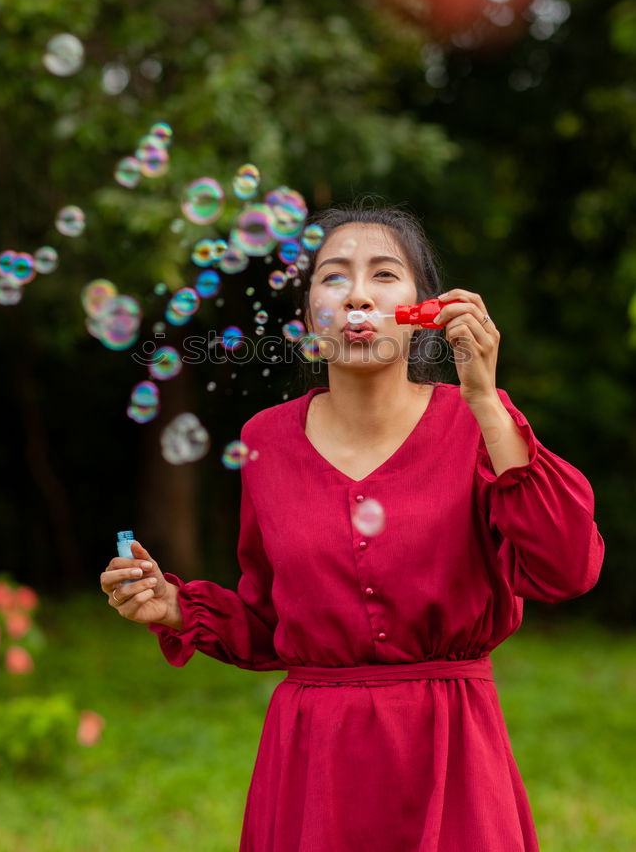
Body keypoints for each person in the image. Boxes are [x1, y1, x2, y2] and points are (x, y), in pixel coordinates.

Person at [100, 203, 605, 852]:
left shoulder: (479, 426)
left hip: (450, 752)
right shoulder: (265, 443)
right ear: (309, 314)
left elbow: (565, 569)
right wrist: (176, 607)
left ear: (426, 307)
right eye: (333, 277)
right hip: (314, 762)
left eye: (384, 274)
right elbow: (270, 623)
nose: (358, 294)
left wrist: (484, 396)